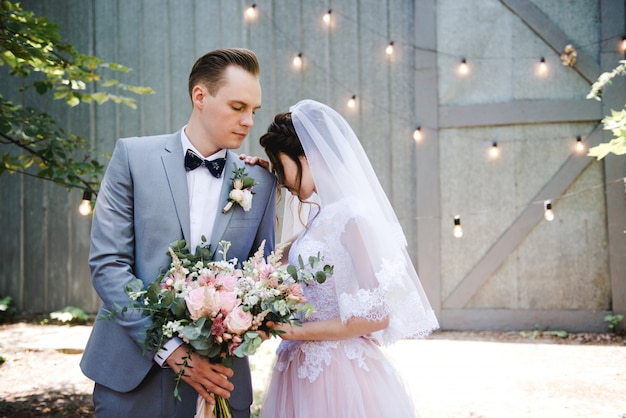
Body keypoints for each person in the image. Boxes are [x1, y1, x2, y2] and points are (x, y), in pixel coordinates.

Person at [80, 48, 277, 418]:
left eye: (254, 110)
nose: (249, 121)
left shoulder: (261, 182)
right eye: (238, 107)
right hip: (130, 375)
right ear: (200, 96)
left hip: (220, 384)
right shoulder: (133, 157)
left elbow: (263, 277)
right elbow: (108, 265)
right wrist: (173, 350)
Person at [256, 99, 439, 418]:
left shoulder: (352, 217)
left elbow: (377, 316)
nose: (281, 181)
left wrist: (293, 330)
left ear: (307, 157)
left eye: (280, 167)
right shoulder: (321, 218)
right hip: (299, 369)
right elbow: (274, 259)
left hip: (338, 376)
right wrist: (259, 183)